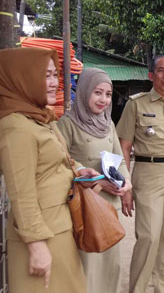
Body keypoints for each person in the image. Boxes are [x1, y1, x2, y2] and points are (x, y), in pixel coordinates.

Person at [0, 47, 98, 293]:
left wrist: (80, 171)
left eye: (55, 75)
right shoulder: (15, 126)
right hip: (40, 235)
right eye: (46, 76)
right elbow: (21, 193)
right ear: (23, 78)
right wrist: (36, 245)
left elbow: (60, 161)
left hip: (60, 227)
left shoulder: (40, 118)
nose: (54, 83)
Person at [116, 55, 164, 293]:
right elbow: (124, 148)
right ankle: (138, 288)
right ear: (151, 76)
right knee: (149, 236)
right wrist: (126, 186)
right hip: (148, 172)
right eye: (160, 71)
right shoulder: (136, 104)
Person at [57, 67, 132, 293]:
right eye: (97, 93)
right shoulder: (67, 124)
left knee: (112, 264)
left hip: (111, 206)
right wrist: (98, 183)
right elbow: (61, 162)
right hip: (86, 207)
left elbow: (119, 160)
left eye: (108, 94)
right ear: (84, 91)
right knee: (88, 263)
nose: (103, 100)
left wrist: (126, 182)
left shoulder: (108, 123)